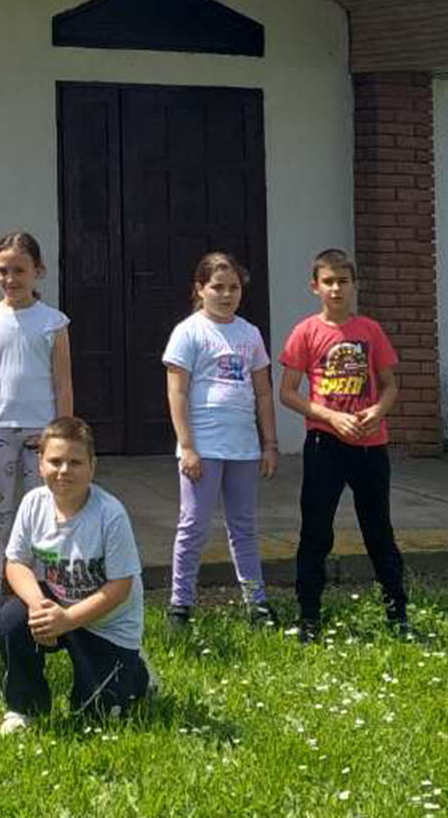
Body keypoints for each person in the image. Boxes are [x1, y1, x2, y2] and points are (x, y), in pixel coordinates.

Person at [279, 248, 407, 644]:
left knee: (378, 531)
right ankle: (309, 618)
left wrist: (378, 411)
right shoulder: (306, 332)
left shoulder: (370, 330)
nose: (336, 289)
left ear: (355, 285)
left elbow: (390, 385)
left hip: (370, 445)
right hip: (325, 443)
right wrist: (330, 416)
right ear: (315, 287)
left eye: (343, 281)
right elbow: (288, 391)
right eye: (329, 282)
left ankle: (398, 616)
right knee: (316, 532)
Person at [0, 415, 151, 735]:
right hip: (58, 606)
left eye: (75, 462)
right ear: (40, 464)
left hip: (106, 624)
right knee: (12, 620)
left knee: (95, 717)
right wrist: (39, 607)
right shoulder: (33, 504)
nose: (64, 470)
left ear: (92, 467)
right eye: (55, 461)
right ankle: (24, 707)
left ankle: (137, 674)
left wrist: (67, 620)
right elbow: (16, 563)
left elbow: (121, 587)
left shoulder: (110, 514)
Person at [0, 231, 73, 641]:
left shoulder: (53, 323)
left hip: (42, 436)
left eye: (19, 271)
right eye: (3, 270)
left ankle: (42, 607)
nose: (10, 279)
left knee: (43, 519)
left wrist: (63, 440)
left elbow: (63, 383)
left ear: (37, 271)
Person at [163, 252, 280, 629]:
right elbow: (177, 392)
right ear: (200, 289)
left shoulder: (250, 334)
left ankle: (256, 602)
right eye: (217, 287)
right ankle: (180, 604)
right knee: (194, 525)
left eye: (234, 287)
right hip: (203, 448)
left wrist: (269, 443)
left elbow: (263, 392)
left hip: (243, 447)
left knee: (243, 525)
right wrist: (188, 446)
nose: (226, 295)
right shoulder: (189, 332)